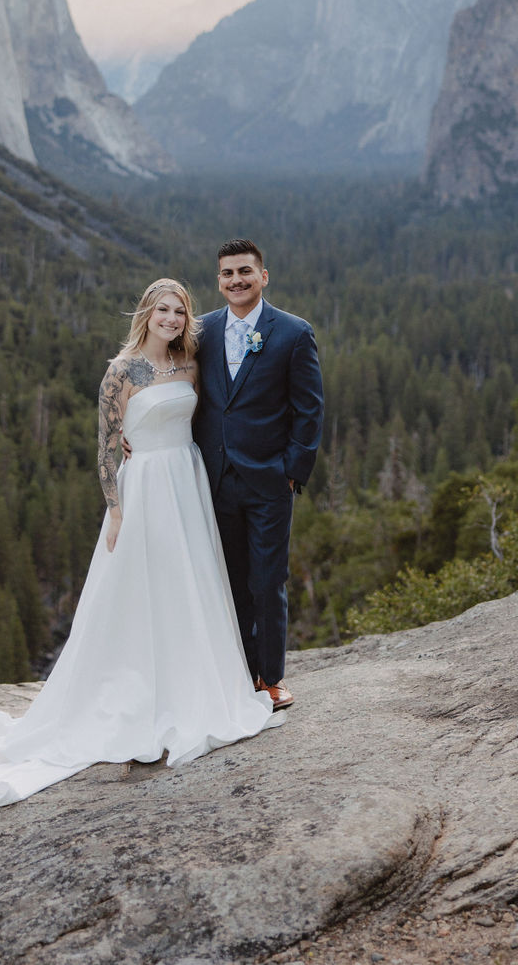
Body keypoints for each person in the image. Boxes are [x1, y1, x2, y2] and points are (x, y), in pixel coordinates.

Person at [0, 278, 279, 823]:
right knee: (143, 589)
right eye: (163, 310)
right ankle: (137, 695)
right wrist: (115, 509)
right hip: (147, 489)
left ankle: (197, 684)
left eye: (180, 311)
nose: (172, 319)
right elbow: (108, 445)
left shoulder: (190, 364)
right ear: (145, 313)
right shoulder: (121, 371)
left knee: (192, 585)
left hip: (188, 482)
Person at [192, 240, 324, 711]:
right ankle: (236, 674)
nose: (236, 280)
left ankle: (269, 677)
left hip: (270, 481)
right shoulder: (201, 330)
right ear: (219, 280)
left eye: (245, 271)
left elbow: (310, 411)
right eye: (227, 274)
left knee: (267, 582)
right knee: (227, 581)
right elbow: (167, 379)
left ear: (263, 276)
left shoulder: (291, 332)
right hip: (214, 480)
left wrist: (292, 471)